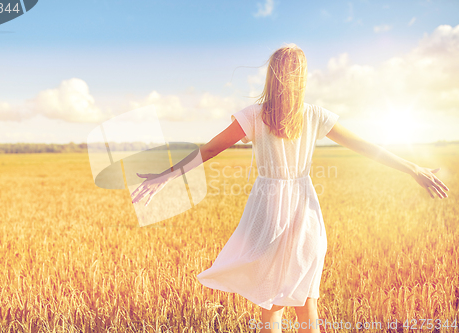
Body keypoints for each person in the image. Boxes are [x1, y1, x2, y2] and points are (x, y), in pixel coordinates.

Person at [131, 44, 449, 333]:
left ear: (271, 76)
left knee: (271, 307)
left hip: (267, 210)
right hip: (304, 211)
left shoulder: (254, 115)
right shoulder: (314, 115)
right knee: (306, 304)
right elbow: (365, 147)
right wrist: (413, 168)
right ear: (301, 78)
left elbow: (210, 149)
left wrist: (166, 175)